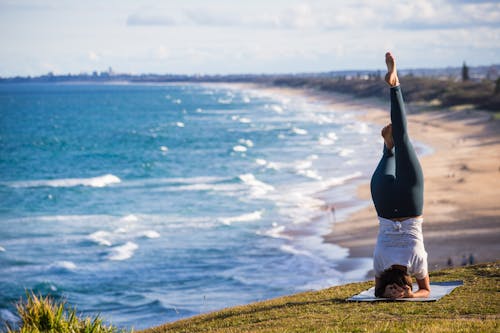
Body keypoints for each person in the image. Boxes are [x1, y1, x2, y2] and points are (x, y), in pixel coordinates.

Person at [371, 52, 431, 298]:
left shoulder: (380, 266)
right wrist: (409, 295)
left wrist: (386, 294)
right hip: (410, 201)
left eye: (390, 290)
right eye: (397, 289)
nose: (394, 290)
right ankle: (394, 85)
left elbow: (376, 293)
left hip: (385, 207)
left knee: (389, 156)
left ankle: (387, 147)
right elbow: (426, 290)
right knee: (404, 142)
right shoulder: (417, 264)